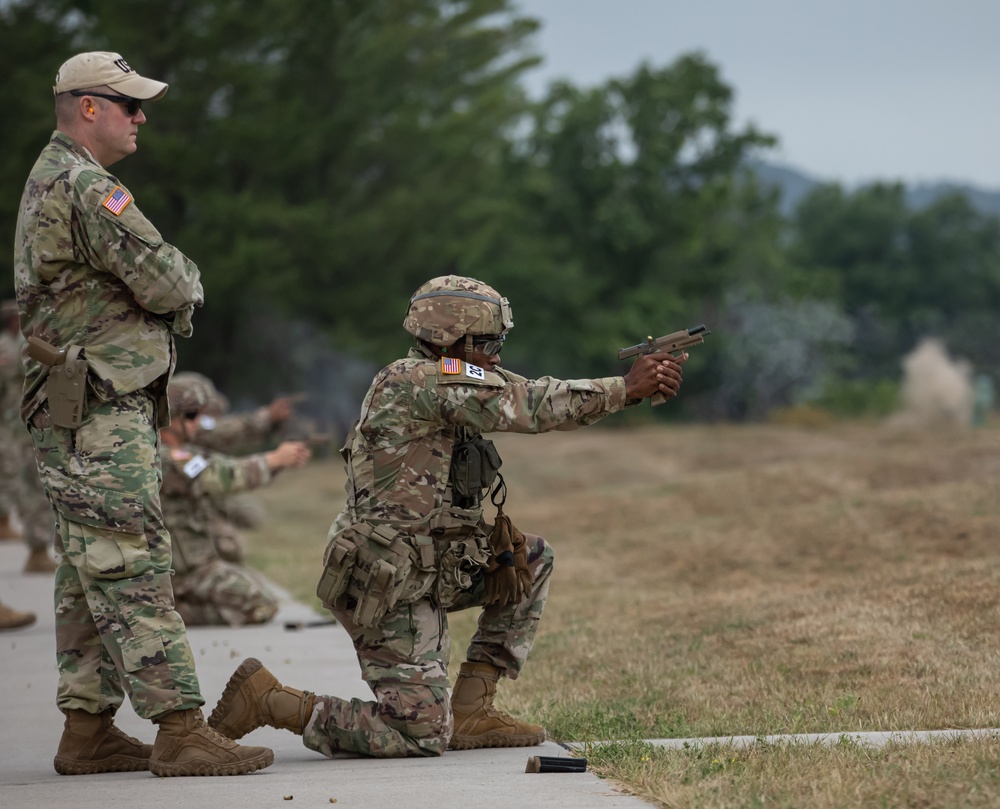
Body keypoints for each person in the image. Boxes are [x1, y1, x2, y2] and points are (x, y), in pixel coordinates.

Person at [208, 274, 686, 759]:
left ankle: (474, 712)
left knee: (530, 560)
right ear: (451, 340)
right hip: (386, 585)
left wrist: (627, 391)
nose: (497, 354)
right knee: (420, 734)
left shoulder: (452, 377)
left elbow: (534, 392)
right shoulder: (421, 381)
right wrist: (625, 388)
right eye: (489, 342)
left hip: (432, 567)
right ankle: (271, 701)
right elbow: (530, 407)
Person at [14, 50, 272, 777]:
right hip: (98, 407)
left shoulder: (47, 177)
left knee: (88, 569)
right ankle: (182, 727)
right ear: (87, 107)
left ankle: (88, 728)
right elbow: (170, 280)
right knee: (131, 559)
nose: (141, 117)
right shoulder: (87, 186)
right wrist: (179, 287)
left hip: (74, 403)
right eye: (129, 105)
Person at [160, 375, 311, 626]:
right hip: (185, 571)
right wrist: (274, 459)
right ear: (170, 418)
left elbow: (221, 453)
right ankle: (171, 615)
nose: (199, 422)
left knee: (256, 590)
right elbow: (219, 474)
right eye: (191, 415)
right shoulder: (169, 458)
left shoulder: (178, 453)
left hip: (189, 565)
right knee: (261, 604)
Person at [0, 299, 58, 573]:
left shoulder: (27, 345)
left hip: (29, 424)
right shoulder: (13, 348)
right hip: (22, 428)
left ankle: (39, 546)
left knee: (35, 484)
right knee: (32, 486)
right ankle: (37, 548)